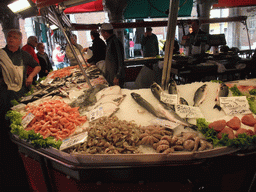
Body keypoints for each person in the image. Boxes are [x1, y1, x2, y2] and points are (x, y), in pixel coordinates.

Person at [0, 29, 41, 191]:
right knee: (6, 121)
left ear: (20, 41)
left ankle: (21, 147)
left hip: (21, 93)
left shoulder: (24, 54)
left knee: (21, 119)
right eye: (9, 36)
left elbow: (36, 66)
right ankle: (9, 152)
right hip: (4, 94)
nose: (11, 39)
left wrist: (30, 77)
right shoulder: (1, 54)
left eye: (15, 37)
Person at [100, 23, 125, 87]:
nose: (101, 35)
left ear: (105, 33)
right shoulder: (110, 42)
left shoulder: (115, 42)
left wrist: (117, 76)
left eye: (101, 33)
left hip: (115, 77)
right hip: (111, 76)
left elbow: (120, 60)